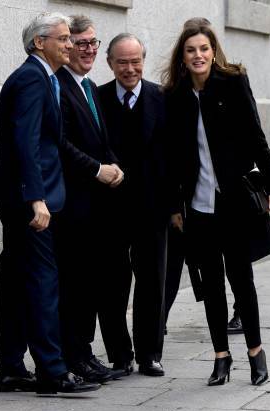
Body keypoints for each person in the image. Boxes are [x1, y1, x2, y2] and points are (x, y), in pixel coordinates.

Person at [0, 12, 100, 394]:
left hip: (21, 195)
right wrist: (36, 199)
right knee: (43, 283)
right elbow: (25, 142)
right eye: (63, 38)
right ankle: (52, 371)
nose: (70, 44)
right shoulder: (32, 78)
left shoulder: (43, 78)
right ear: (39, 43)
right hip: (26, 198)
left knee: (16, 283)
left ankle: (12, 368)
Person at [162, 20, 270, 386]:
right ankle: (221, 357)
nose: (198, 55)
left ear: (213, 51)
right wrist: (173, 207)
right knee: (211, 284)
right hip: (198, 206)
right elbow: (171, 160)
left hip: (233, 202)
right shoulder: (175, 96)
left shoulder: (233, 83)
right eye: (190, 50)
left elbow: (256, 135)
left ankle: (255, 353)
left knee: (241, 278)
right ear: (182, 58)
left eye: (203, 48)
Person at [53, 14, 125, 383]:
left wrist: (115, 165)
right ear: (66, 47)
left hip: (95, 206)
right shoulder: (59, 86)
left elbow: (100, 139)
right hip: (72, 204)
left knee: (89, 285)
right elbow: (61, 144)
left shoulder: (90, 87)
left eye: (94, 43)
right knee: (74, 286)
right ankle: (72, 356)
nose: (88, 50)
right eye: (80, 43)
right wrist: (98, 169)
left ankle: (85, 354)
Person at [98, 33, 173, 376]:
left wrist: (175, 206)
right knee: (111, 283)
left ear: (144, 60)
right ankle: (120, 355)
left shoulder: (163, 98)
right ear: (109, 63)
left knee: (152, 282)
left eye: (136, 61)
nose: (130, 69)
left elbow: (177, 156)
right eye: (122, 62)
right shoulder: (96, 99)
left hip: (152, 208)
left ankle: (149, 354)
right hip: (109, 208)